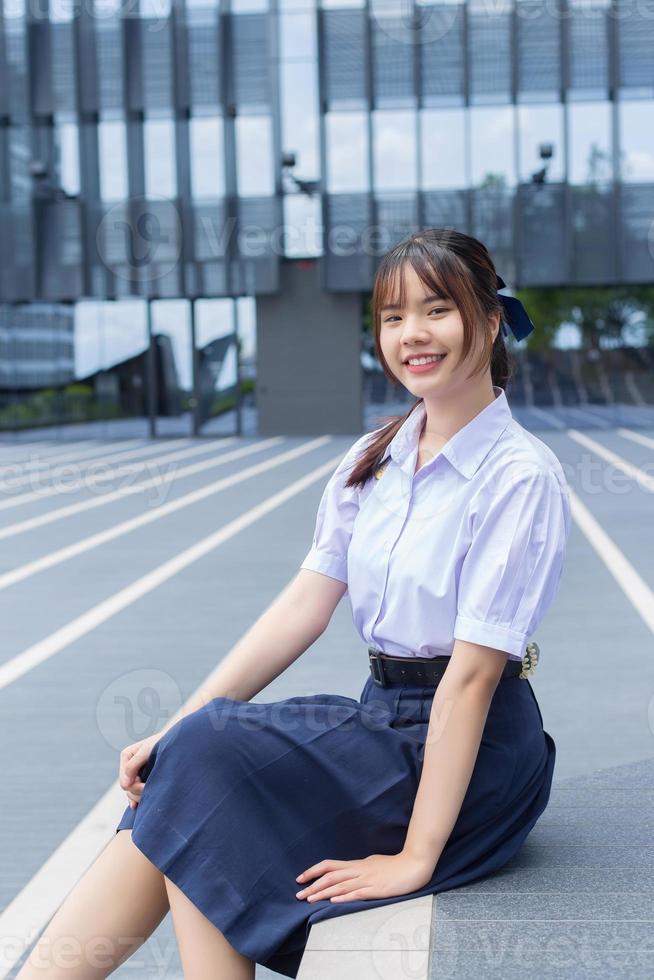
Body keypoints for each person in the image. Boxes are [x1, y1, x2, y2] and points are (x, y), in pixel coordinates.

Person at [16, 228, 571, 980]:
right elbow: (302, 607)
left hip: (473, 757)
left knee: (204, 769)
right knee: (193, 755)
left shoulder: (518, 476)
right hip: (384, 720)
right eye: (392, 316)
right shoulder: (374, 460)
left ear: (492, 318)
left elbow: (469, 681)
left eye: (437, 310)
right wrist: (171, 730)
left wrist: (415, 857)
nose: (412, 335)